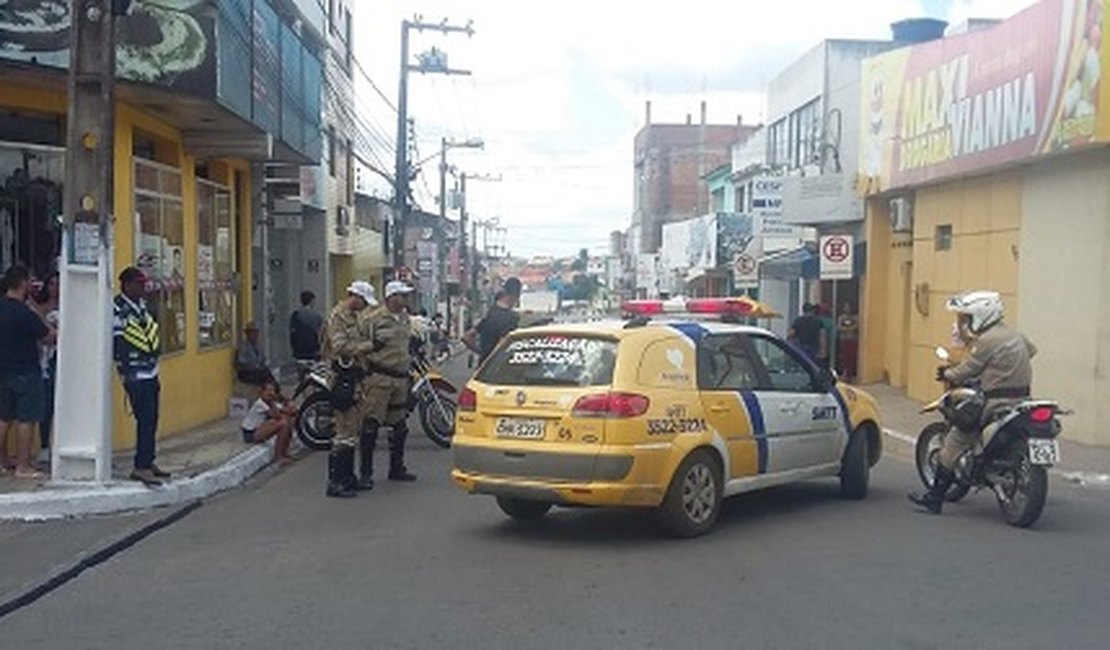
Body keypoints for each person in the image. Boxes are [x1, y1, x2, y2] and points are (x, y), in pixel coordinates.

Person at [909, 290, 1037, 515]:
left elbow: (968, 369)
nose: (963, 322)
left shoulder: (986, 340)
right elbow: (1032, 351)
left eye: (967, 317)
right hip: (1022, 400)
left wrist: (948, 374)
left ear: (981, 315)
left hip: (996, 402)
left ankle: (935, 498)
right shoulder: (1016, 335)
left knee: (956, 439)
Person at [321, 280, 379, 498]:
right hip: (342, 379)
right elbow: (340, 347)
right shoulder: (338, 317)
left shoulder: (355, 318)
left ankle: (348, 477)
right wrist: (369, 346)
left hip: (355, 380)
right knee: (343, 432)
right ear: (353, 296)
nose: (365, 305)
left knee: (353, 430)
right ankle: (336, 482)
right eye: (363, 301)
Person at [114, 267, 168, 486]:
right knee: (144, 419)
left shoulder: (143, 307)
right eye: (139, 284)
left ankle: (148, 459)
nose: (143, 288)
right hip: (135, 372)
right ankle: (141, 466)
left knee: (152, 418)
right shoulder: (117, 308)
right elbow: (118, 341)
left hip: (150, 369)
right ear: (127, 285)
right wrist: (125, 370)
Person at [0, 265, 56, 479]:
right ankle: (23, 465)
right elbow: (48, 336)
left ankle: (3, 461)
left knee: (3, 417)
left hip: (3, 371)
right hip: (26, 371)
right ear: (23, 283)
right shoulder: (25, 312)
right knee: (27, 419)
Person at [362, 280, 418, 485]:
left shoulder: (405, 318)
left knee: (400, 426)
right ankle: (366, 473)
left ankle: (397, 467)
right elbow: (363, 345)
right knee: (371, 425)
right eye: (402, 296)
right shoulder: (373, 318)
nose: (406, 299)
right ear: (391, 297)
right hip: (379, 378)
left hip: (400, 378)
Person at [33, 272, 59, 466]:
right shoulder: (39, 308)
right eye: (51, 284)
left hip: (63, 357)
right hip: (45, 358)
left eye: (59, 284)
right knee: (46, 403)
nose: (55, 288)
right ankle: (43, 445)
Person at [463, 277, 522, 364]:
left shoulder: (489, 313)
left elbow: (466, 337)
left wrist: (482, 352)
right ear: (516, 295)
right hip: (500, 368)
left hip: (484, 368)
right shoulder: (512, 317)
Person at [240, 380, 295, 464]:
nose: (270, 393)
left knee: (288, 421)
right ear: (262, 392)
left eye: (272, 390)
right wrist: (273, 402)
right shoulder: (260, 404)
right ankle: (278, 456)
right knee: (283, 424)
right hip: (251, 433)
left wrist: (290, 404)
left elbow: (289, 412)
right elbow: (276, 416)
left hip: (260, 429)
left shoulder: (270, 403)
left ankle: (285, 452)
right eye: (268, 391)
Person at [235, 322, 275, 386]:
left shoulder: (258, 345)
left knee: (267, 373)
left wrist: (261, 365)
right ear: (247, 334)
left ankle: (275, 391)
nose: (255, 335)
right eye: (252, 332)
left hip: (257, 371)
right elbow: (242, 362)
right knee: (265, 375)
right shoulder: (243, 346)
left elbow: (263, 359)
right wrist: (254, 366)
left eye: (256, 332)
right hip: (246, 373)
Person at [289, 290, 324, 362]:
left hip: (299, 353)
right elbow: (321, 336)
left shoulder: (295, 315)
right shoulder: (317, 317)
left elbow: (292, 334)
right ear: (312, 301)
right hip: (313, 353)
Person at [836, 302, 859, 382]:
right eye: (845, 307)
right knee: (844, 358)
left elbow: (856, 326)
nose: (847, 308)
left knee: (852, 357)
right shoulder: (841, 317)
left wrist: (847, 329)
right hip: (844, 339)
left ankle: (851, 374)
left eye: (848, 307)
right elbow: (839, 327)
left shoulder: (855, 317)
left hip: (852, 339)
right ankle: (845, 373)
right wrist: (848, 329)